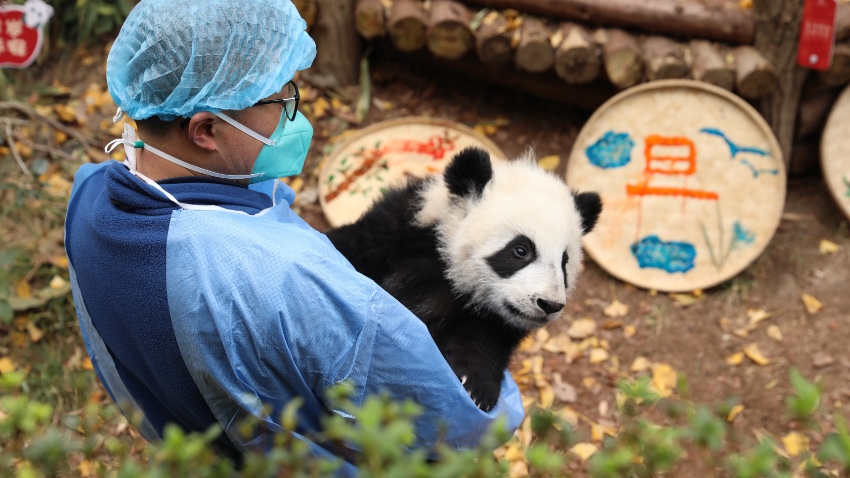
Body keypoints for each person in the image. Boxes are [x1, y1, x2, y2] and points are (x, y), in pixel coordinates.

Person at [64, 0, 524, 471]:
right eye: (280, 100)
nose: (294, 116)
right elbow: (456, 421)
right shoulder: (292, 283)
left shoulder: (86, 197)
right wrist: (495, 377)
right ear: (205, 130)